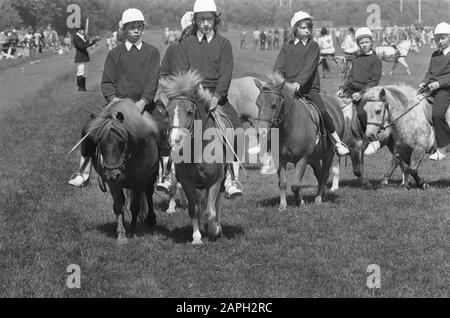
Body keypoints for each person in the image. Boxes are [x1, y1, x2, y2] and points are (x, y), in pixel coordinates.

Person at [68, 8, 160, 187]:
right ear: (124, 29)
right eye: (131, 27)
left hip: (144, 105)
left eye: (139, 26)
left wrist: (143, 101)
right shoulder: (114, 54)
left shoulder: (152, 52)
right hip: (117, 105)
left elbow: (152, 80)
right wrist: (113, 99)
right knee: (89, 129)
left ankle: (166, 174)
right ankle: (83, 172)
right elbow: (107, 82)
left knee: (164, 129)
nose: (136, 30)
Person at [174, 0, 244, 199]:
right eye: (201, 19)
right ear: (195, 20)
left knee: (237, 128)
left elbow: (226, 73)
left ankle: (232, 176)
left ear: (215, 20)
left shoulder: (224, 44)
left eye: (209, 19)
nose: (205, 23)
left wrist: (217, 97)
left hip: (217, 98)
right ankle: (169, 173)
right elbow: (182, 70)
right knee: (172, 126)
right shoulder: (186, 44)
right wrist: (195, 92)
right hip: (191, 97)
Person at [274, 11, 350, 157]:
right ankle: (264, 143)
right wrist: (280, 82)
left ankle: (337, 142)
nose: (307, 30)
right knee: (272, 109)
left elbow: (309, 68)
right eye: (303, 27)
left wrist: (298, 83)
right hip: (287, 88)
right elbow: (278, 67)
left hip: (308, 88)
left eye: (309, 27)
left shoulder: (313, 46)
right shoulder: (286, 46)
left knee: (322, 111)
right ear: (295, 28)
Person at [156, 11, 195, 194]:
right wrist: (165, 96)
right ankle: (166, 174)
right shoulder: (173, 49)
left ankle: (228, 175)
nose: (190, 33)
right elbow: (163, 74)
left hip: (195, 101)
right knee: (160, 131)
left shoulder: (201, 49)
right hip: (173, 102)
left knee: (231, 130)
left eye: (192, 29)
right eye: (188, 29)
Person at [337, 27, 383, 155]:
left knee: (363, 112)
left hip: (368, 92)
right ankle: (340, 140)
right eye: (361, 43)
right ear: (358, 44)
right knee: (335, 107)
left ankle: (367, 138)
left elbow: (374, 81)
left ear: (371, 42)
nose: (364, 45)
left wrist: (362, 93)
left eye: (366, 42)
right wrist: (342, 88)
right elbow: (350, 77)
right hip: (352, 91)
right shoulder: (356, 59)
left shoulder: (375, 60)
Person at [419, 22, 450, 161]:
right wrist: (424, 82)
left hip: (445, 90)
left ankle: (442, 149)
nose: (440, 41)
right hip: (431, 87)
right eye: (437, 38)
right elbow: (429, 72)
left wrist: (439, 83)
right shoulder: (434, 54)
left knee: (437, 115)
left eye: (443, 38)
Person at [73, 25, 98, 92]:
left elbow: (86, 43)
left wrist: (93, 42)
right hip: (80, 56)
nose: (83, 31)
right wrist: (90, 43)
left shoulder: (82, 37)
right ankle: (80, 88)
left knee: (85, 73)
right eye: (82, 30)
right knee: (80, 72)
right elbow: (81, 46)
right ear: (79, 30)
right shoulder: (76, 37)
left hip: (84, 56)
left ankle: (83, 88)